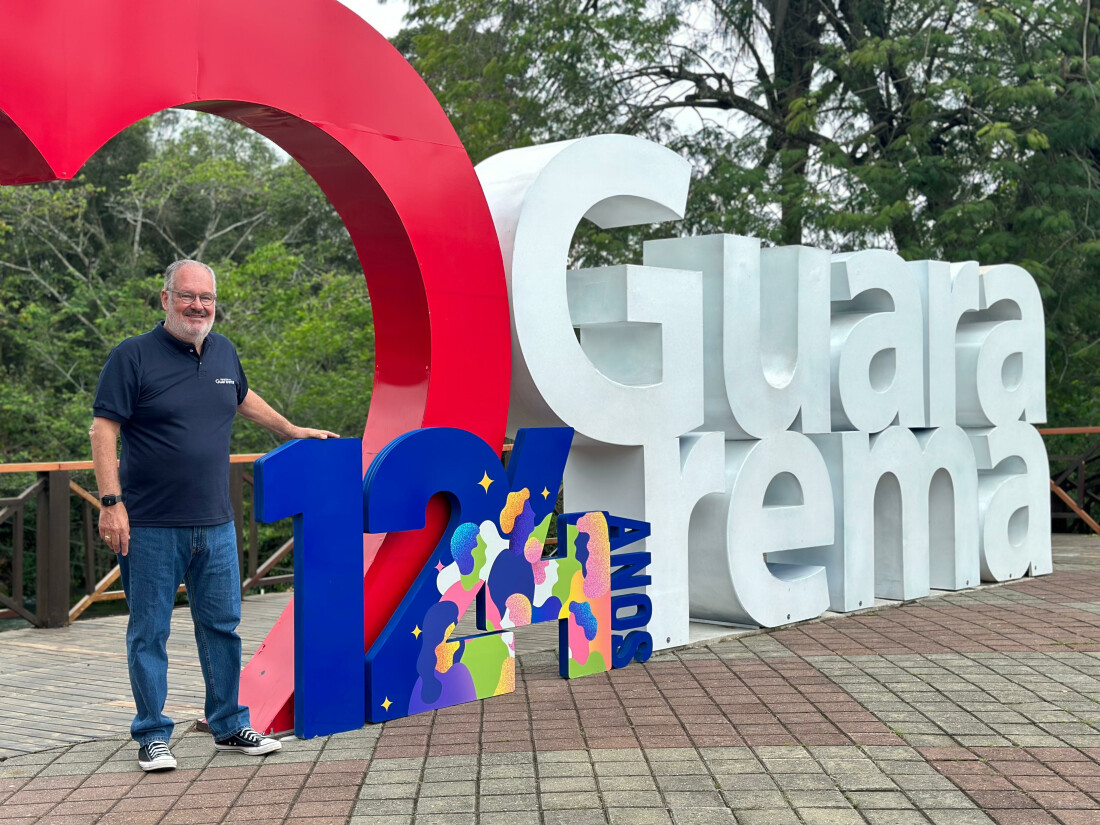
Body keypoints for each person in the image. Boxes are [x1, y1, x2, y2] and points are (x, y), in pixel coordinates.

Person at [89, 259, 338, 772]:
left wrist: (291, 430)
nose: (198, 306)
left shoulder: (223, 350)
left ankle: (228, 725)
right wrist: (111, 505)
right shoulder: (131, 356)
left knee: (222, 627)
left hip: (217, 523)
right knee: (149, 631)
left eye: (206, 298)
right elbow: (102, 431)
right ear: (165, 299)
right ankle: (153, 736)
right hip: (151, 525)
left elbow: (243, 398)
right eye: (187, 296)